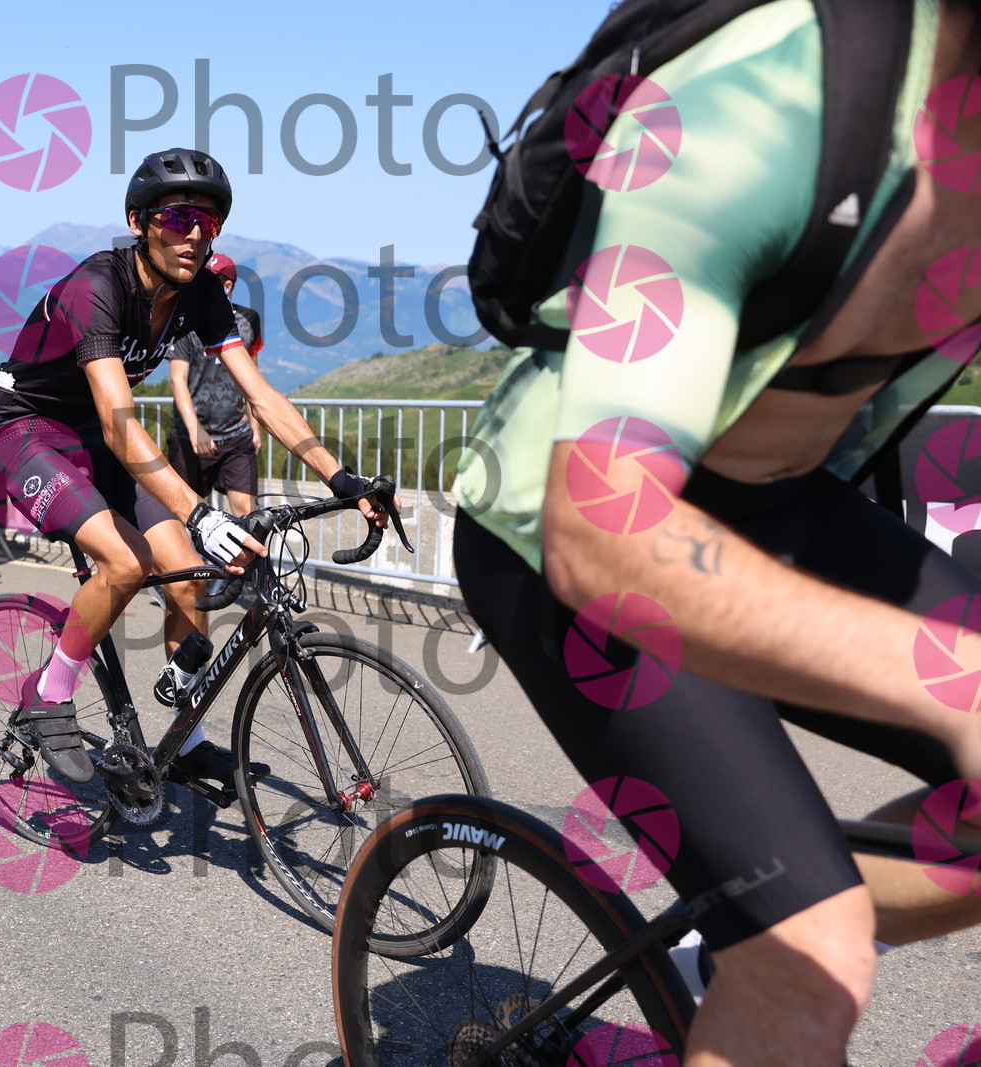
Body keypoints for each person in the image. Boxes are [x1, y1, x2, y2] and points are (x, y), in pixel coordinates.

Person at [451, 4, 981, 1064]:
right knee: (811, 964)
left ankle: (730, 946)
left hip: (783, 505)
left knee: (827, 907)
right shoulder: (765, 106)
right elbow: (601, 531)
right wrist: (953, 685)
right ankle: (777, 953)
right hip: (571, 532)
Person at [0, 146, 383, 790]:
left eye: (207, 222)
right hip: (27, 424)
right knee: (126, 562)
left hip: (96, 433)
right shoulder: (97, 287)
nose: (193, 234)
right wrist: (201, 513)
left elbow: (261, 395)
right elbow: (119, 423)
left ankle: (184, 738)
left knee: (186, 577)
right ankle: (49, 697)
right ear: (138, 222)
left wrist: (342, 478)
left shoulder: (200, 295)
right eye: (176, 218)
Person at [166, 252, 266, 518]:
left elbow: (252, 377)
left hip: (237, 436)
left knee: (248, 515)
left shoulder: (249, 320)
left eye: (206, 279)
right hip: (190, 438)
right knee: (189, 516)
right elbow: (177, 380)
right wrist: (196, 430)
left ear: (227, 285)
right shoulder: (182, 320)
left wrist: (255, 428)